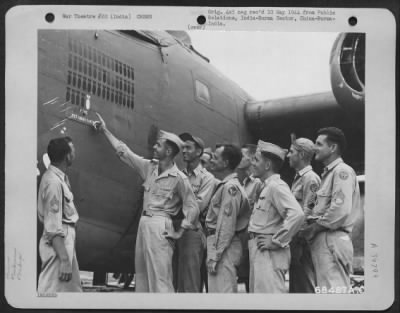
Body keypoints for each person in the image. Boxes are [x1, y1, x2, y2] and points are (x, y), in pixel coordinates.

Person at [94, 114, 199, 292]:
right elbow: (124, 152)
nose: (154, 147)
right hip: (144, 224)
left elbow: (193, 207)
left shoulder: (180, 178)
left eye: (158, 145)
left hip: (160, 225)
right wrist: (105, 130)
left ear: (168, 152)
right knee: (142, 278)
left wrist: (180, 232)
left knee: (160, 279)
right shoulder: (149, 167)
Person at [303, 127, 360, 291]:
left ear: (333, 148)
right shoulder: (328, 174)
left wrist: (314, 228)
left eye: (319, 144)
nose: (314, 147)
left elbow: (340, 210)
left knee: (333, 294)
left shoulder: (341, 171)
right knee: (327, 292)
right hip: (326, 238)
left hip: (331, 238)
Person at [248, 140, 304, 293]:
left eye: (256, 160)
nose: (252, 164)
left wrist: (277, 241)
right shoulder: (266, 187)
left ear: (267, 165)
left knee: (269, 301)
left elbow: (297, 214)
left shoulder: (276, 186)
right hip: (260, 250)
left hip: (269, 252)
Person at [37, 137, 82, 292]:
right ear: (67, 156)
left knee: (70, 293)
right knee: (51, 292)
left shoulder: (58, 178)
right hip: (59, 244)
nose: (74, 153)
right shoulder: (54, 183)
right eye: (73, 149)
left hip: (63, 242)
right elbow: (53, 226)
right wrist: (64, 260)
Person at [205, 144, 251, 293]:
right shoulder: (226, 186)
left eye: (215, 157)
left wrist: (215, 255)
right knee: (217, 295)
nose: (211, 160)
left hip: (224, 248)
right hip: (220, 245)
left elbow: (226, 225)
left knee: (223, 295)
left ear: (225, 163)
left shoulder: (231, 188)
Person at [174, 133, 216, 292]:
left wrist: (176, 206)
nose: (183, 150)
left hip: (191, 230)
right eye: (183, 147)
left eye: (188, 148)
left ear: (198, 152)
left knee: (190, 279)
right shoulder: (179, 175)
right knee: (174, 278)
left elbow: (197, 206)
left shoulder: (207, 178)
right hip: (175, 227)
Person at [287, 135, 321, 293]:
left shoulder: (310, 178)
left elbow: (310, 209)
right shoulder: (299, 178)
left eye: (291, 151)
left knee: (304, 282)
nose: (288, 155)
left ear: (301, 155)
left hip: (302, 238)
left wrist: (298, 234)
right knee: (296, 280)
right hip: (296, 237)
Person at [235, 144, 263, 292]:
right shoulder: (238, 181)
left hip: (248, 234)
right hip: (237, 234)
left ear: (252, 159)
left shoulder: (257, 183)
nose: (239, 159)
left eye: (243, 155)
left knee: (249, 276)